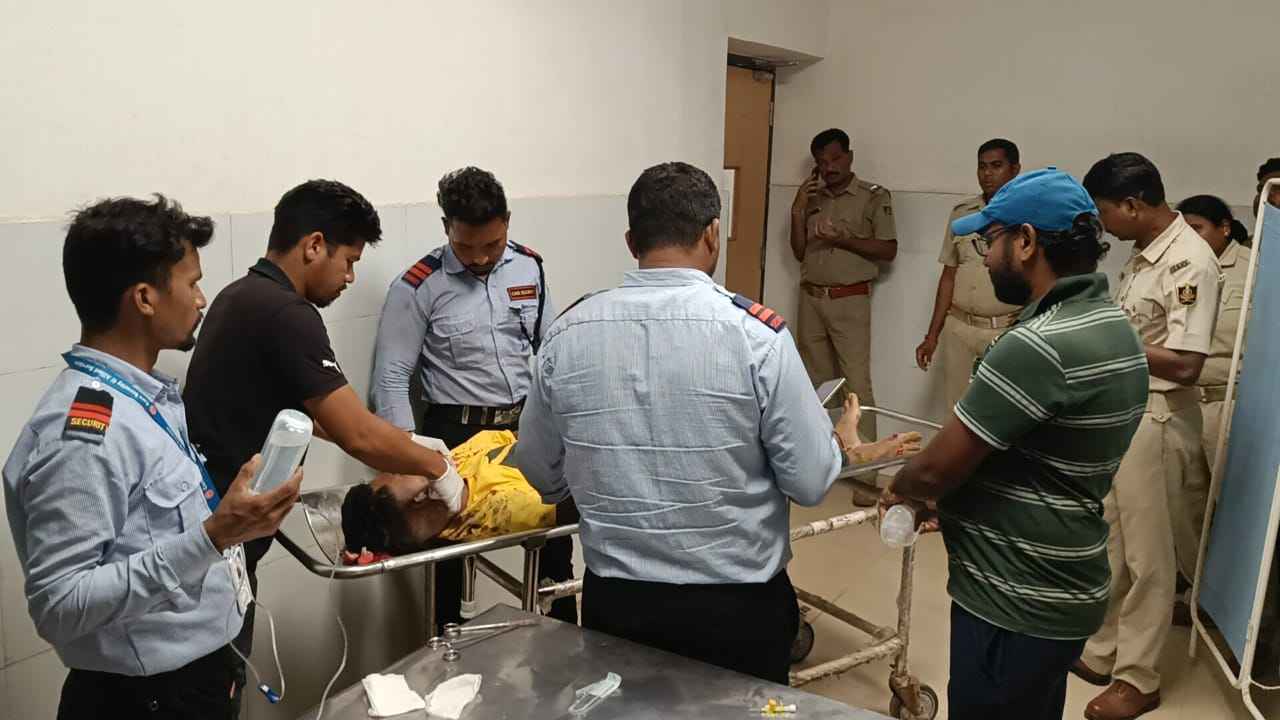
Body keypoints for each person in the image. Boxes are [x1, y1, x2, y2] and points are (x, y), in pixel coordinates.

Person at [514, 161, 920, 685]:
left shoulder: (568, 334)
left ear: (631, 240)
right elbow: (809, 482)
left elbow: (540, 472)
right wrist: (839, 445)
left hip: (617, 601)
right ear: (712, 234)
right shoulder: (757, 337)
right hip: (738, 607)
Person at [3, 196, 302, 719]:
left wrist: (234, 526)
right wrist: (213, 537)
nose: (202, 299)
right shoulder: (86, 433)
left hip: (198, 677)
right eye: (192, 284)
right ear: (144, 298)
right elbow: (59, 605)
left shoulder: (146, 399)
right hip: (148, 701)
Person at [881, 168, 1147, 720]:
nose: (984, 258)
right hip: (1066, 583)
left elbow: (933, 471)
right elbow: (1045, 457)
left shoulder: (1036, 346)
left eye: (990, 241)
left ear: (1025, 241)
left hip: (1015, 596)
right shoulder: (1114, 325)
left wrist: (901, 489)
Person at [183, 180, 457, 697]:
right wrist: (437, 468)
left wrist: (411, 448)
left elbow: (325, 418)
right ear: (314, 245)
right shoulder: (287, 313)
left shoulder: (240, 296)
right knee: (210, 692)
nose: (350, 277)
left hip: (215, 539)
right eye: (348, 261)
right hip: (218, 550)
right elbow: (355, 433)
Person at [370, 166, 575, 626]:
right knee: (449, 556)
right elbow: (392, 378)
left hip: (525, 427)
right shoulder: (418, 286)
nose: (480, 258)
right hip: (456, 434)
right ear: (447, 227)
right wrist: (407, 456)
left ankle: (565, 635)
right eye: (466, 247)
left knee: (555, 539)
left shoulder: (528, 267)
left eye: (492, 245)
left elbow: (551, 351)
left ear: (507, 222)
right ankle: (447, 646)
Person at [1073, 153, 1222, 720]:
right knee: (1113, 541)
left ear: (1133, 205)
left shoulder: (1189, 261)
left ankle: (1139, 677)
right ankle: (1104, 649)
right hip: (1126, 413)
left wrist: (1106, 337)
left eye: (1104, 211)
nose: (1102, 223)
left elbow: (1185, 364)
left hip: (1157, 418)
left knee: (1150, 557)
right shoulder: (1145, 253)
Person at [789, 128, 898, 506]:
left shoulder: (873, 196)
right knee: (815, 386)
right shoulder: (812, 197)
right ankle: (821, 464)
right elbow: (799, 251)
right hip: (811, 298)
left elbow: (888, 249)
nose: (829, 167)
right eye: (822, 162)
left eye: (835, 159)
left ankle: (866, 474)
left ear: (849, 157)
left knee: (856, 386)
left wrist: (842, 239)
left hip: (849, 300)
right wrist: (798, 208)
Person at [916, 139, 1023, 409]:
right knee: (956, 410)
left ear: (1015, 169)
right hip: (959, 329)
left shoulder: (1028, 217)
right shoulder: (962, 215)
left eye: (996, 166)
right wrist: (932, 336)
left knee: (1001, 411)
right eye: (982, 167)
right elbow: (948, 276)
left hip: (1005, 331)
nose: (987, 174)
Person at [1176, 195, 1250, 471]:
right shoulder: (1179, 270)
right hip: (1184, 406)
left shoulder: (1255, 268)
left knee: (1231, 493)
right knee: (1188, 494)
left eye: (1197, 229)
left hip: (1232, 407)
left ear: (1225, 228)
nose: (1190, 238)